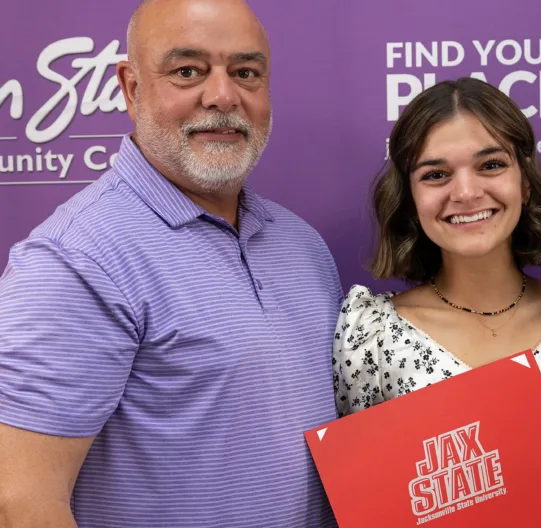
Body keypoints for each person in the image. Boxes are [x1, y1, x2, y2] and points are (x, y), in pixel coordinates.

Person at [0, 1, 340, 526]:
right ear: (132, 88)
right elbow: (22, 504)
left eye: (246, 72)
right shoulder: (76, 260)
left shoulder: (303, 245)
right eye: (188, 71)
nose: (223, 96)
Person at [332, 77, 541, 507]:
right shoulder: (370, 336)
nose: (465, 192)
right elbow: (368, 500)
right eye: (436, 174)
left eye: (491, 165)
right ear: (410, 197)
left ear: (526, 180)